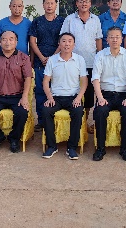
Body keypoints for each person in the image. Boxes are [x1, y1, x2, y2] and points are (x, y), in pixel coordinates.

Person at [0, 30, 33, 153]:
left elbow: (28, 78)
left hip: (16, 95)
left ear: (16, 42)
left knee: (22, 112)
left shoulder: (23, 57)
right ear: (0, 41)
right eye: (4, 39)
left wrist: (24, 97)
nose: (7, 42)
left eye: (11, 39)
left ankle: (14, 139)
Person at [91, 27, 126, 161]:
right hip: (106, 94)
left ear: (122, 39)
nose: (114, 39)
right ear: (107, 40)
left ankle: (125, 149)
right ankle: (100, 148)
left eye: (117, 37)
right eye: (111, 37)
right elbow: (95, 78)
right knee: (100, 111)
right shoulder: (100, 55)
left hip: (124, 94)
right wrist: (100, 98)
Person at [59, 0, 102, 133]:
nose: (84, 4)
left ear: (91, 4)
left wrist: (100, 58)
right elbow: (63, 39)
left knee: (88, 95)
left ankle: (84, 123)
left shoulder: (96, 19)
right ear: (76, 3)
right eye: (81, 1)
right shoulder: (70, 19)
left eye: (86, 1)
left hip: (90, 62)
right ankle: (73, 123)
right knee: (73, 92)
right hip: (72, 62)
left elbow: (98, 40)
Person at [41, 32, 88, 160]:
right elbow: (45, 81)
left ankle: (71, 147)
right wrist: (49, 97)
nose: (67, 44)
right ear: (59, 44)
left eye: (69, 41)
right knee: (46, 111)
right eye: (64, 41)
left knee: (78, 111)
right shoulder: (52, 60)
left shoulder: (80, 59)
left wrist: (78, 98)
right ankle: (52, 146)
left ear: (74, 44)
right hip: (56, 97)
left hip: (73, 97)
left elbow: (84, 81)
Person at [29, 0, 65, 131]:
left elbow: (64, 40)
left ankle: (54, 118)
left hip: (58, 61)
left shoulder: (62, 21)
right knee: (40, 91)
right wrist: (42, 57)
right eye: (47, 3)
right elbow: (32, 41)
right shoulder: (37, 21)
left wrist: (53, 57)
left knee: (56, 90)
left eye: (52, 3)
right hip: (40, 62)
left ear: (56, 5)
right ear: (43, 5)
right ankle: (41, 120)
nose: (49, 6)